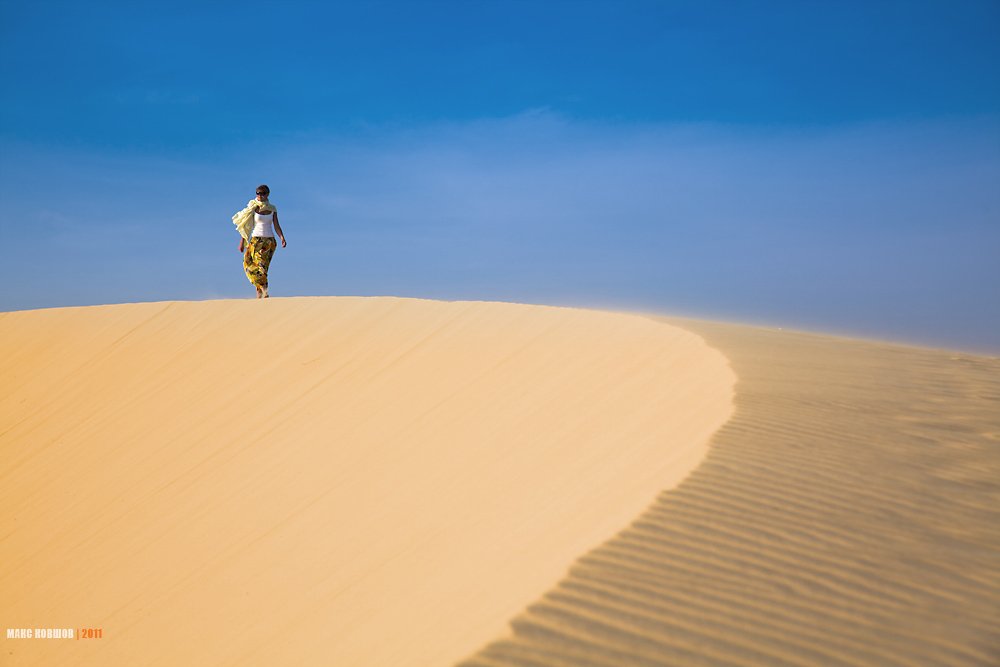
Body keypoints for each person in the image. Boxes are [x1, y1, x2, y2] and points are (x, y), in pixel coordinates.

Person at [233, 184, 287, 298]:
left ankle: (263, 291)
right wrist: (242, 242)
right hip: (255, 240)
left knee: (262, 266)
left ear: (267, 194)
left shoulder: (272, 209)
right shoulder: (253, 207)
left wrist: (282, 237)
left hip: (268, 242)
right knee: (247, 264)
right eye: (258, 193)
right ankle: (260, 290)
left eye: (262, 193)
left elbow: (276, 225)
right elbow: (246, 226)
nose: (260, 196)